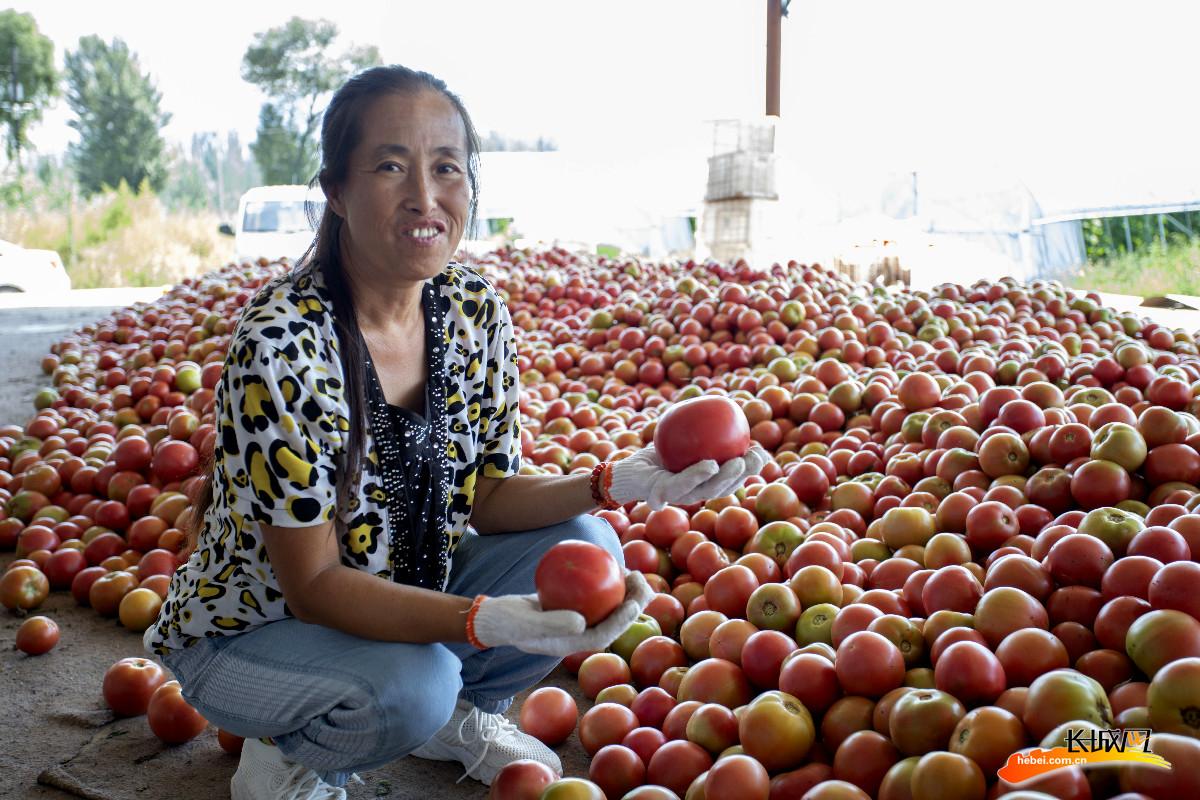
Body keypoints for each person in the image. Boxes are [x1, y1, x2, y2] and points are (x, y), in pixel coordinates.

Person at [144, 64, 766, 800]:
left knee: (587, 541)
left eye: (447, 167)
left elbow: (491, 494)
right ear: (336, 192)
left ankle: (461, 717)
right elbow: (311, 587)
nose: (425, 196)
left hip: (400, 598)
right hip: (253, 634)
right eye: (390, 166)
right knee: (416, 684)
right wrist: (484, 619)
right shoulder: (284, 343)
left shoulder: (471, 309)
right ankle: (288, 763)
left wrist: (619, 482)